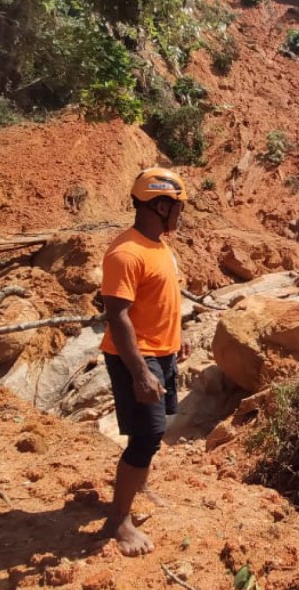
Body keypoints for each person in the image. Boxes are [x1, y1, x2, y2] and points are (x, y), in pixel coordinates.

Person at [100, 167, 191, 557]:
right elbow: (117, 316)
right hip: (137, 357)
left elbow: (159, 301)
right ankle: (119, 521)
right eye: (177, 208)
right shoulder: (126, 252)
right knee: (147, 436)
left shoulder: (158, 246)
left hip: (162, 353)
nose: (180, 216)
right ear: (160, 204)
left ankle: (133, 490)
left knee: (152, 435)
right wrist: (139, 372)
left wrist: (178, 337)